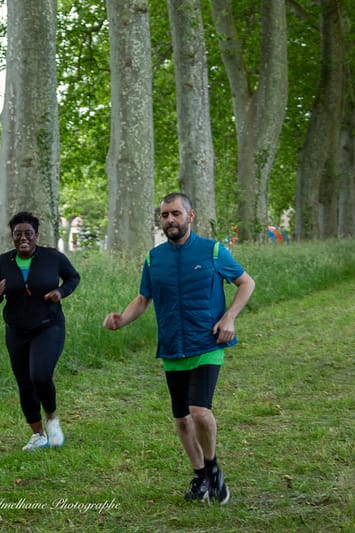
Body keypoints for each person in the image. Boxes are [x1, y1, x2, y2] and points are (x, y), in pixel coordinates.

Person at [103, 193, 255, 505]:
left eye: (175, 214)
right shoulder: (153, 258)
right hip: (172, 345)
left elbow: (246, 283)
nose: (170, 220)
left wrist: (230, 317)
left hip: (208, 342)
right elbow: (143, 298)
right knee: (182, 419)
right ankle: (200, 475)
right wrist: (122, 319)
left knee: (200, 411)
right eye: (164, 215)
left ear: (190, 215)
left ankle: (212, 468)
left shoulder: (212, 250)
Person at [0, 211, 81, 451]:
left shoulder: (53, 258)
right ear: (12, 237)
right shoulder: (3, 262)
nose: (23, 238)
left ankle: (51, 419)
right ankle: (37, 434)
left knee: (39, 376)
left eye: (28, 233)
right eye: (17, 234)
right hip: (17, 330)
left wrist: (60, 292)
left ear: (36, 235)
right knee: (24, 382)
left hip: (48, 326)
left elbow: (73, 277)